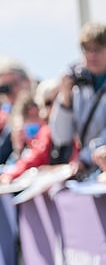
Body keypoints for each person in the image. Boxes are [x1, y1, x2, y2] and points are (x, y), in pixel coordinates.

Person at [49, 21, 106, 178]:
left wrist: (84, 159)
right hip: (88, 168)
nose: (91, 56)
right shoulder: (78, 85)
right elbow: (61, 136)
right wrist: (65, 98)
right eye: (86, 50)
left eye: (97, 50)